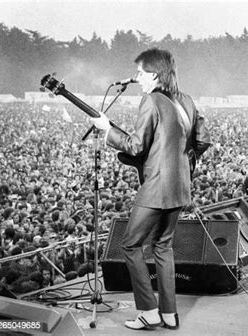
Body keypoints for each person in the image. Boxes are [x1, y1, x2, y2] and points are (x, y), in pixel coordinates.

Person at [91, 48, 210, 330]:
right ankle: (169, 313)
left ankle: (148, 311)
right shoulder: (188, 101)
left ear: (155, 74)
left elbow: (135, 145)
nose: (138, 78)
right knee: (163, 247)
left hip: (156, 187)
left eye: (141, 73)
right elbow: (202, 140)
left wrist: (107, 130)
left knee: (129, 245)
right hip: (180, 187)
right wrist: (181, 160)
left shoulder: (151, 100)